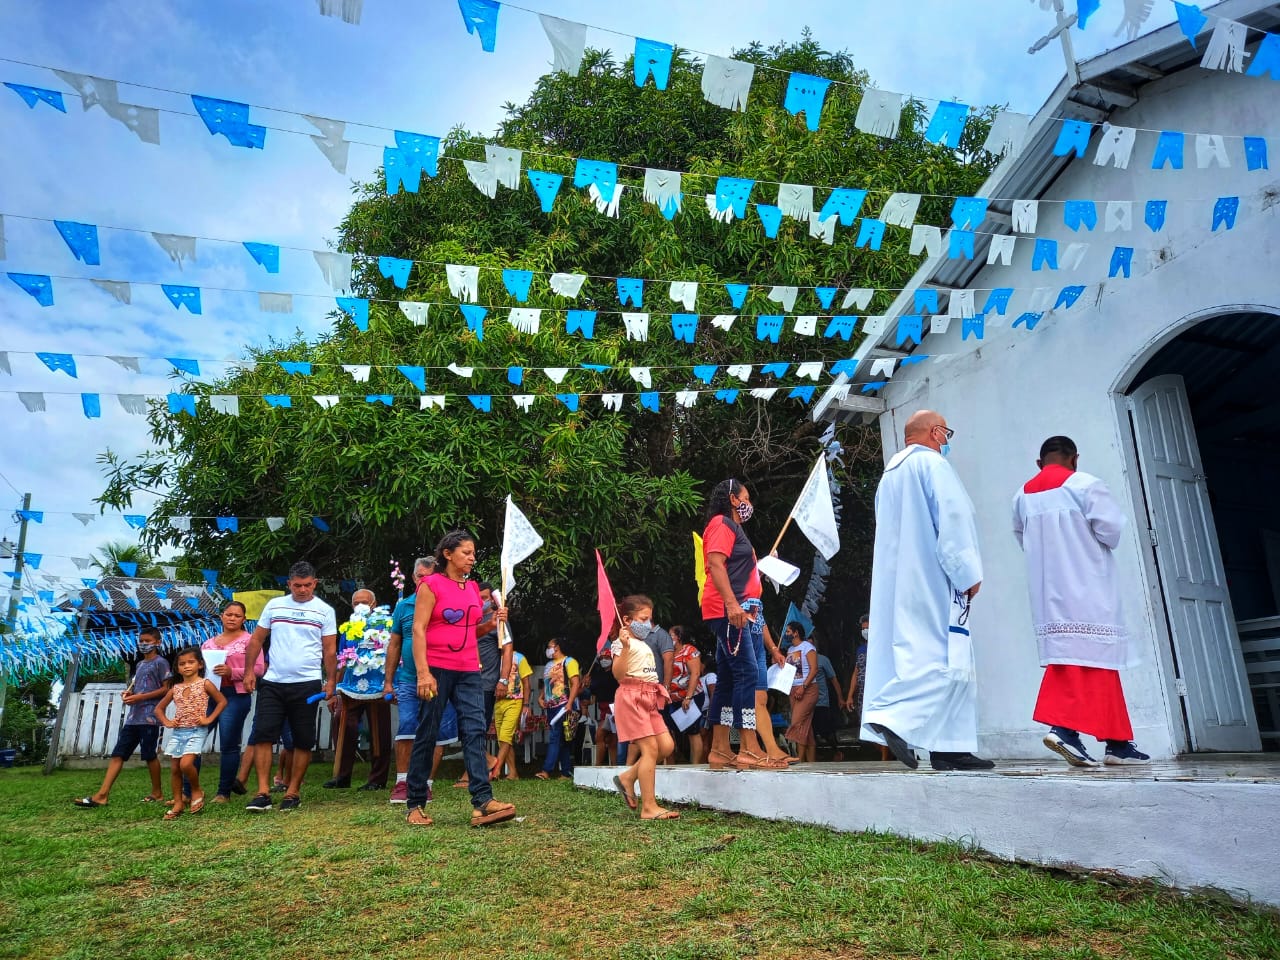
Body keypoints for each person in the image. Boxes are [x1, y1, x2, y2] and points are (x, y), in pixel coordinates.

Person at [862, 410, 994, 772]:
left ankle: (949, 746)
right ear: (936, 433)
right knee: (943, 658)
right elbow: (954, 520)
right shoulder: (933, 466)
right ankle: (891, 715)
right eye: (946, 433)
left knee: (941, 658)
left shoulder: (890, 475)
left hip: (902, 581)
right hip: (934, 577)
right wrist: (968, 573)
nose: (947, 440)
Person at [1013, 435, 1151, 767]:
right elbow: (1111, 532)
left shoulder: (1021, 496)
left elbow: (1022, 539)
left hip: (1048, 591)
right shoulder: (1085, 485)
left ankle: (1118, 744)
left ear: (1039, 463)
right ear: (1075, 459)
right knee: (1083, 663)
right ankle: (1064, 729)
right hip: (1088, 585)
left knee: (1094, 664)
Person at [404, 530, 517, 827]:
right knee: (428, 733)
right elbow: (418, 629)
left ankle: (483, 800)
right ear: (447, 554)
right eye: (466, 552)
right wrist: (423, 672)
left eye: (473, 553)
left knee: (475, 731)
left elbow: (470, 631)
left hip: (469, 669)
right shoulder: (430, 584)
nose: (472, 558)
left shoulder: (472, 588)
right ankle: (415, 803)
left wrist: (492, 622)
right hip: (436, 668)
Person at [242, 561, 339, 812]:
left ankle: (293, 791)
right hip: (273, 681)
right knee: (264, 734)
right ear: (289, 584)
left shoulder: (325, 610)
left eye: (307, 585)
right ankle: (263, 792)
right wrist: (249, 671)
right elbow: (256, 639)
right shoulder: (275, 605)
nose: (302, 590)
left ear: (315, 583)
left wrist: (331, 681)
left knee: (302, 739)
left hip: (306, 683)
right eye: (297, 585)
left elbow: (330, 650)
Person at [702, 479, 784, 770]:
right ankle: (748, 747)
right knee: (747, 672)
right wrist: (732, 604)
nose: (750, 503)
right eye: (746, 497)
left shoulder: (732, 529)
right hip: (731, 610)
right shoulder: (722, 524)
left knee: (727, 677)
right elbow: (714, 563)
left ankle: (720, 749)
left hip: (736, 608)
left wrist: (762, 565)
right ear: (734, 499)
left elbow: (738, 572)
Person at [72, 628, 171, 808]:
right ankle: (102, 794)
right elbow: (137, 688)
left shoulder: (161, 662)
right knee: (119, 754)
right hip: (133, 717)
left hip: (150, 717)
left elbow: (166, 689)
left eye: (148, 640)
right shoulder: (140, 665)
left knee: (149, 755)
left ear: (157, 642)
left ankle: (157, 792)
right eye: (141, 640)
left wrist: (140, 697)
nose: (143, 644)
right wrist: (129, 694)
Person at [610, 595, 679, 820]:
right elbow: (619, 674)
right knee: (650, 749)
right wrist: (626, 647)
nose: (649, 624)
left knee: (666, 746)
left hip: (649, 697)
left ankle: (628, 776)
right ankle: (649, 807)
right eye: (644, 618)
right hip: (632, 697)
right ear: (628, 620)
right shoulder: (622, 643)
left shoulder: (643, 642)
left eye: (650, 618)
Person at [325, 588, 393, 792]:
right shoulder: (347, 627)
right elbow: (341, 659)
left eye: (365, 602)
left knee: (379, 731)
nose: (361, 606)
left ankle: (377, 779)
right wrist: (335, 687)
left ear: (374, 604)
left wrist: (390, 682)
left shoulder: (385, 625)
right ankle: (342, 776)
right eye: (356, 603)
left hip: (377, 686)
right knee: (342, 724)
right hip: (351, 685)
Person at [202, 602, 265, 803]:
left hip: (235, 695)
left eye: (237, 616)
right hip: (210, 695)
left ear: (244, 620)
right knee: (194, 737)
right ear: (222, 616)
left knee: (229, 743)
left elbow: (259, 669)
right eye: (228, 614)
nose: (232, 618)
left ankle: (223, 793)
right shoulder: (208, 644)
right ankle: (189, 791)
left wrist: (233, 672)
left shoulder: (250, 641)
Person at [154, 646, 227, 820]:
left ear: (200, 664)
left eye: (191, 662)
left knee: (186, 765)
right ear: (177, 668)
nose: (186, 666)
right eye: (182, 664)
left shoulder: (205, 683)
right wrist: (167, 722)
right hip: (179, 732)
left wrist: (209, 719)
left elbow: (222, 701)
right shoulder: (176, 688)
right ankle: (178, 802)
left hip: (196, 730)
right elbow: (159, 709)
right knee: (174, 769)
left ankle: (196, 790)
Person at [384, 557, 434, 804]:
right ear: (414, 578)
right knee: (406, 726)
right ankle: (402, 782)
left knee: (436, 731)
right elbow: (394, 644)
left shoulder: (442, 605)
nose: (423, 580)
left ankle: (426, 784)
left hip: (436, 678)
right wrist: (388, 681)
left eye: (429, 576)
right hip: (407, 679)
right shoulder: (404, 606)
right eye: (420, 576)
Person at [536, 637, 580, 780]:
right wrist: (541, 697)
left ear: (557, 647)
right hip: (551, 706)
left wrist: (569, 703)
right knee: (562, 739)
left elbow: (575, 684)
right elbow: (547, 684)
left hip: (564, 705)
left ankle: (546, 770)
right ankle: (565, 773)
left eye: (550, 646)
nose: (548, 649)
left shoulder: (569, 662)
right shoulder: (549, 665)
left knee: (555, 736)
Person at [664, 625, 705, 764]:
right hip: (672, 699)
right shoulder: (667, 653)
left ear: (679, 637)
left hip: (691, 697)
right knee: (668, 731)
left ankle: (695, 766)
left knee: (693, 731)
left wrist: (688, 697)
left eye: (671, 635)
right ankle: (672, 764)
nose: (668, 639)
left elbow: (695, 673)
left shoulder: (689, 651)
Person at [493, 647, 532, 779]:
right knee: (503, 739)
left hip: (515, 701)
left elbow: (526, 683)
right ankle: (513, 773)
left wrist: (526, 704)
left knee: (505, 736)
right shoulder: (494, 657)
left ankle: (496, 770)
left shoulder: (519, 657)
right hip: (498, 702)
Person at [784, 622, 819, 762]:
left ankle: (799, 760)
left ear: (796, 632)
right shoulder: (790, 649)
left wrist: (803, 686)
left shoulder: (808, 647)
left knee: (797, 722)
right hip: (793, 689)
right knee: (806, 727)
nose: (786, 634)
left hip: (807, 689)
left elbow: (814, 669)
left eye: (788, 631)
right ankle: (811, 762)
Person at [811, 637, 845, 759]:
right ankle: (813, 756)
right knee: (810, 731)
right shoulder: (800, 660)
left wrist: (840, 698)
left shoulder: (823, 660)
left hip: (821, 701)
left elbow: (833, 679)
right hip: (806, 702)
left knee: (825, 730)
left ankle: (837, 751)